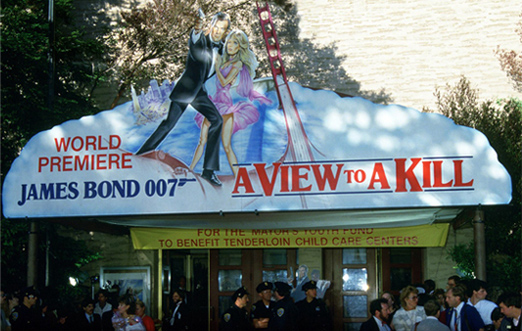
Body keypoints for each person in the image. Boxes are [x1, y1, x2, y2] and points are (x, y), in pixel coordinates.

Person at [136, 11, 231, 187]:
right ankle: (142, 154)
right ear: (210, 26)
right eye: (215, 27)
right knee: (169, 125)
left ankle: (208, 172)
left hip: (199, 93)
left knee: (217, 120)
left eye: (222, 29)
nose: (217, 31)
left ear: (225, 31)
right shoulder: (201, 40)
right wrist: (197, 26)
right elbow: (195, 39)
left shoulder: (222, 46)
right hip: (186, 91)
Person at [190, 29, 271, 176]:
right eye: (229, 42)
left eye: (235, 43)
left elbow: (224, 81)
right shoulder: (225, 61)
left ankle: (239, 177)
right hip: (215, 103)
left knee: (226, 145)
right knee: (202, 140)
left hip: (226, 107)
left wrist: (217, 67)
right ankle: (190, 169)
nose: (230, 45)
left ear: (240, 46)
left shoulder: (238, 63)